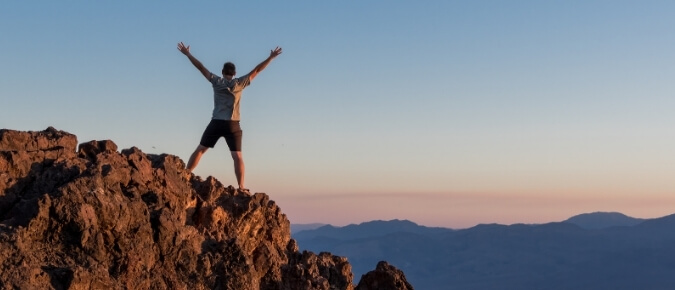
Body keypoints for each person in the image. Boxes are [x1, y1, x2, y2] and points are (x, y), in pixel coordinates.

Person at [177, 42, 282, 191]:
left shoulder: (216, 81)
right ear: (234, 73)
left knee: (200, 149)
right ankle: (241, 187)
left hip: (217, 123)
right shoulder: (240, 83)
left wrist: (188, 54)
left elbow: (200, 67)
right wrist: (271, 57)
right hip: (233, 124)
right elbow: (257, 70)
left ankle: (185, 175)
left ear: (222, 71)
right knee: (237, 156)